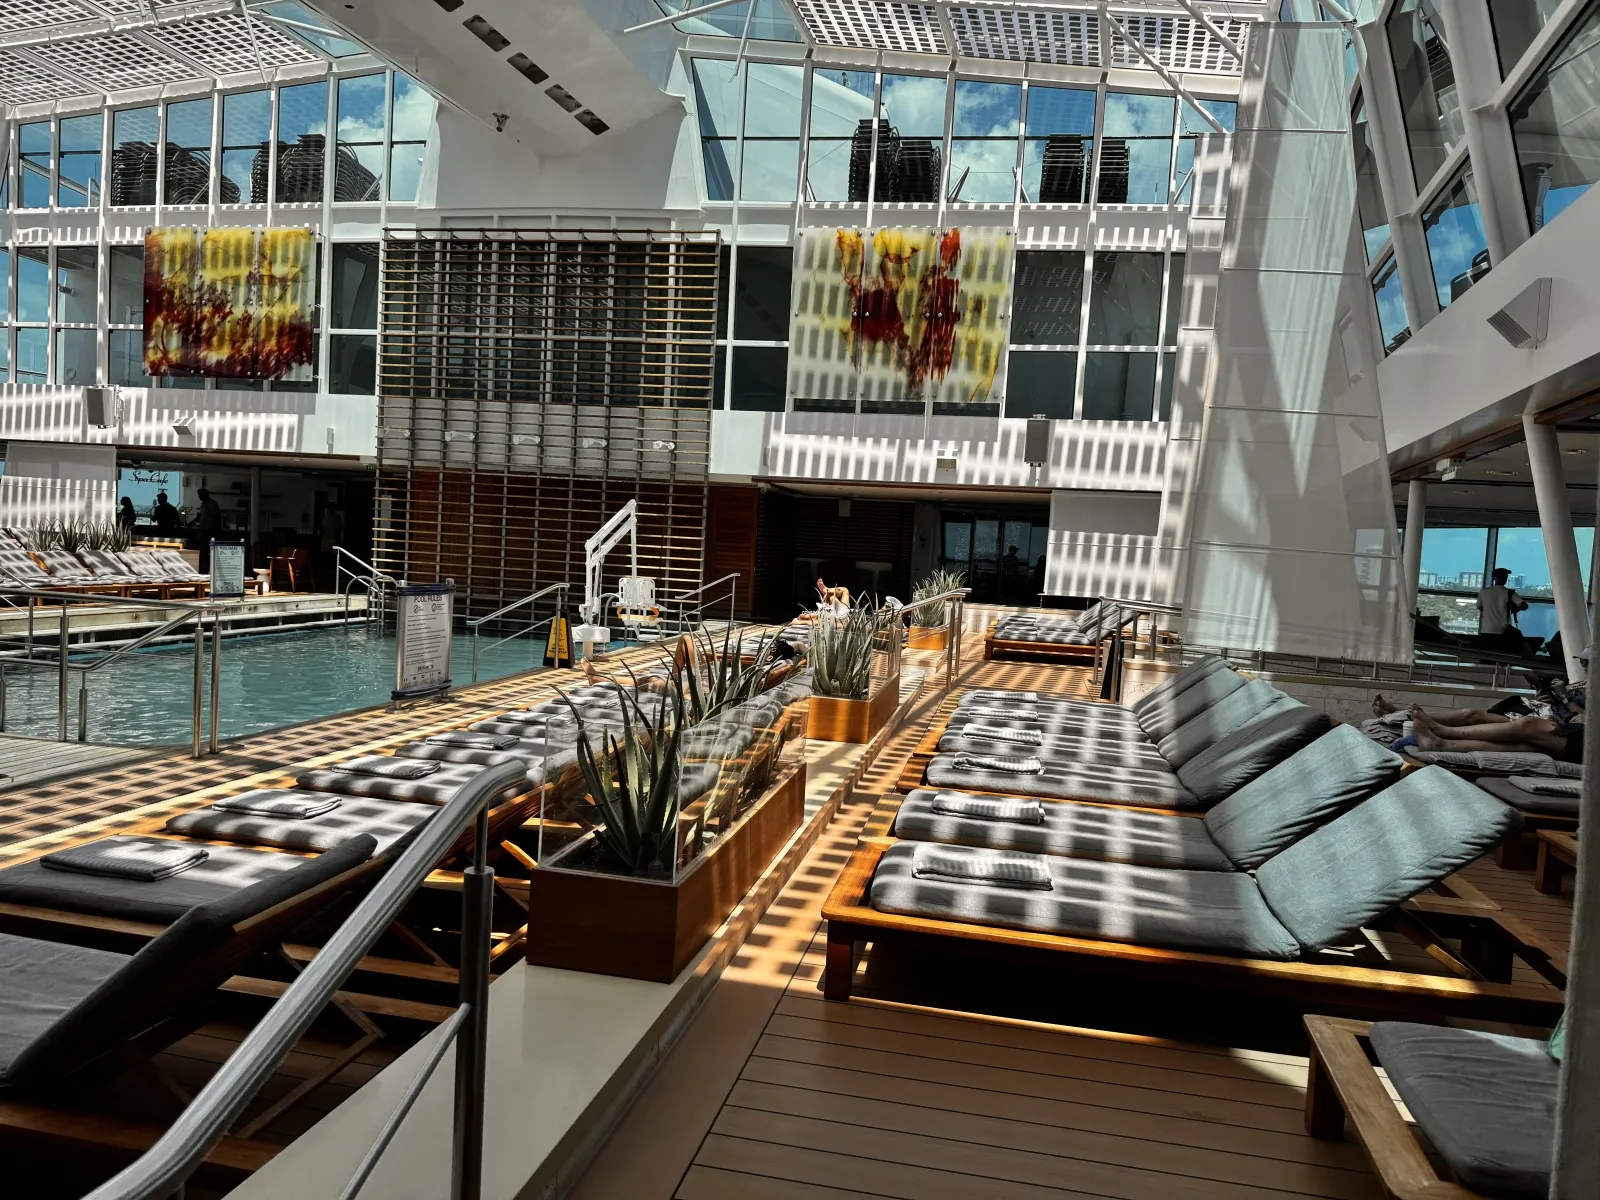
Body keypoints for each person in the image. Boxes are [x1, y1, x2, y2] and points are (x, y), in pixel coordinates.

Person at [1477, 567, 1528, 635]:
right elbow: (1524, 606)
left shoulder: (1483, 592)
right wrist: (1514, 608)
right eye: (1505, 576)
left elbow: (1479, 606)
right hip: (1503, 630)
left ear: (1494, 578)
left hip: (1486, 630)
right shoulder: (1510, 593)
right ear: (1504, 578)